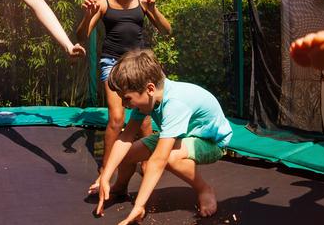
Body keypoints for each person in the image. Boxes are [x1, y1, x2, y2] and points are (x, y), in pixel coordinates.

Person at [76, 0, 171, 194]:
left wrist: (155, 8)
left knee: (145, 124)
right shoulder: (102, 4)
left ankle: (144, 162)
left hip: (138, 67)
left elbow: (167, 30)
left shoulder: (142, 0)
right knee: (117, 120)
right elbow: (82, 35)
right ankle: (107, 168)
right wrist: (87, 15)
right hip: (112, 63)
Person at [94, 50, 232, 223]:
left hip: (212, 142)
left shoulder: (175, 104)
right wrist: (106, 176)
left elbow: (158, 160)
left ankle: (204, 189)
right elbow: (125, 138)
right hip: (183, 134)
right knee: (127, 154)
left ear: (150, 88)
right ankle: (120, 188)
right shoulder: (148, 97)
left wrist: (139, 206)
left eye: (127, 99)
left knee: (170, 158)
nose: (124, 104)